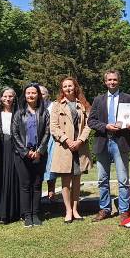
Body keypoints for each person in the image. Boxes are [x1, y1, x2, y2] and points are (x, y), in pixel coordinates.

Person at [87, 70, 130, 222]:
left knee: (123, 179)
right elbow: (91, 121)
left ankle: (124, 210)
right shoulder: (98, 100)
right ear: (105, 82)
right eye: (109, 80)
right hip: (103, 141)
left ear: (119, 81)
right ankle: (105, 209)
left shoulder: (129, 99)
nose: (112, 82)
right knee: (102, 179)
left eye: (115, 80)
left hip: (121, 142)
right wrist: (105, 126)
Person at [50, 77, 93, 224]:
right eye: (65, 86)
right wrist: (67, 140)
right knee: (65, 180)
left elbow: (89, 124)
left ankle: (75, 209)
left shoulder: (83, 104)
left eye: (70, 86)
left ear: (75, 87)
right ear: (62, 89)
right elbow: (53, 127)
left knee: (76, 180)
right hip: (65, 147)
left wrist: (80, 140)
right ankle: (68, 210)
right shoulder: (57, 105)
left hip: (79, 147)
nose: (68, 88)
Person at [11, 83, 50, 227]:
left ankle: (35, 214)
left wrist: (39, 151)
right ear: (25, 95)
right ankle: (27, 215)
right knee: (25, 185)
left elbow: (47, 132)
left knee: (37, 184)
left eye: (34, 93)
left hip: (40, 154)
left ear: (38, 95)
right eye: (28, 93)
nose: (31, 95)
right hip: (22, 155)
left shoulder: (44, 113)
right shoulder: (19, 113)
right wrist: (26, 152)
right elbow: (15, 134)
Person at [0, 87, 20, 223]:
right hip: (1, 149)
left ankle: (16, 211)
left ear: (14, 98)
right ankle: (3, 213)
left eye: (10, 96)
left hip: (17, 148)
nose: (8, 99)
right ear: (1, 98)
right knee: (1, 180)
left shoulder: (20, 113)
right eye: (5, 96)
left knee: (16, 179)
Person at [40, 85, 58, 204]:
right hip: (38, 140)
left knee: (51, 167)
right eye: (39, 93)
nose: (41, 96)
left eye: (43, 94)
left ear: (48, 95)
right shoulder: (32, 107)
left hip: (51, 139)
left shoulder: (54, 106)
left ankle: (51, 192)